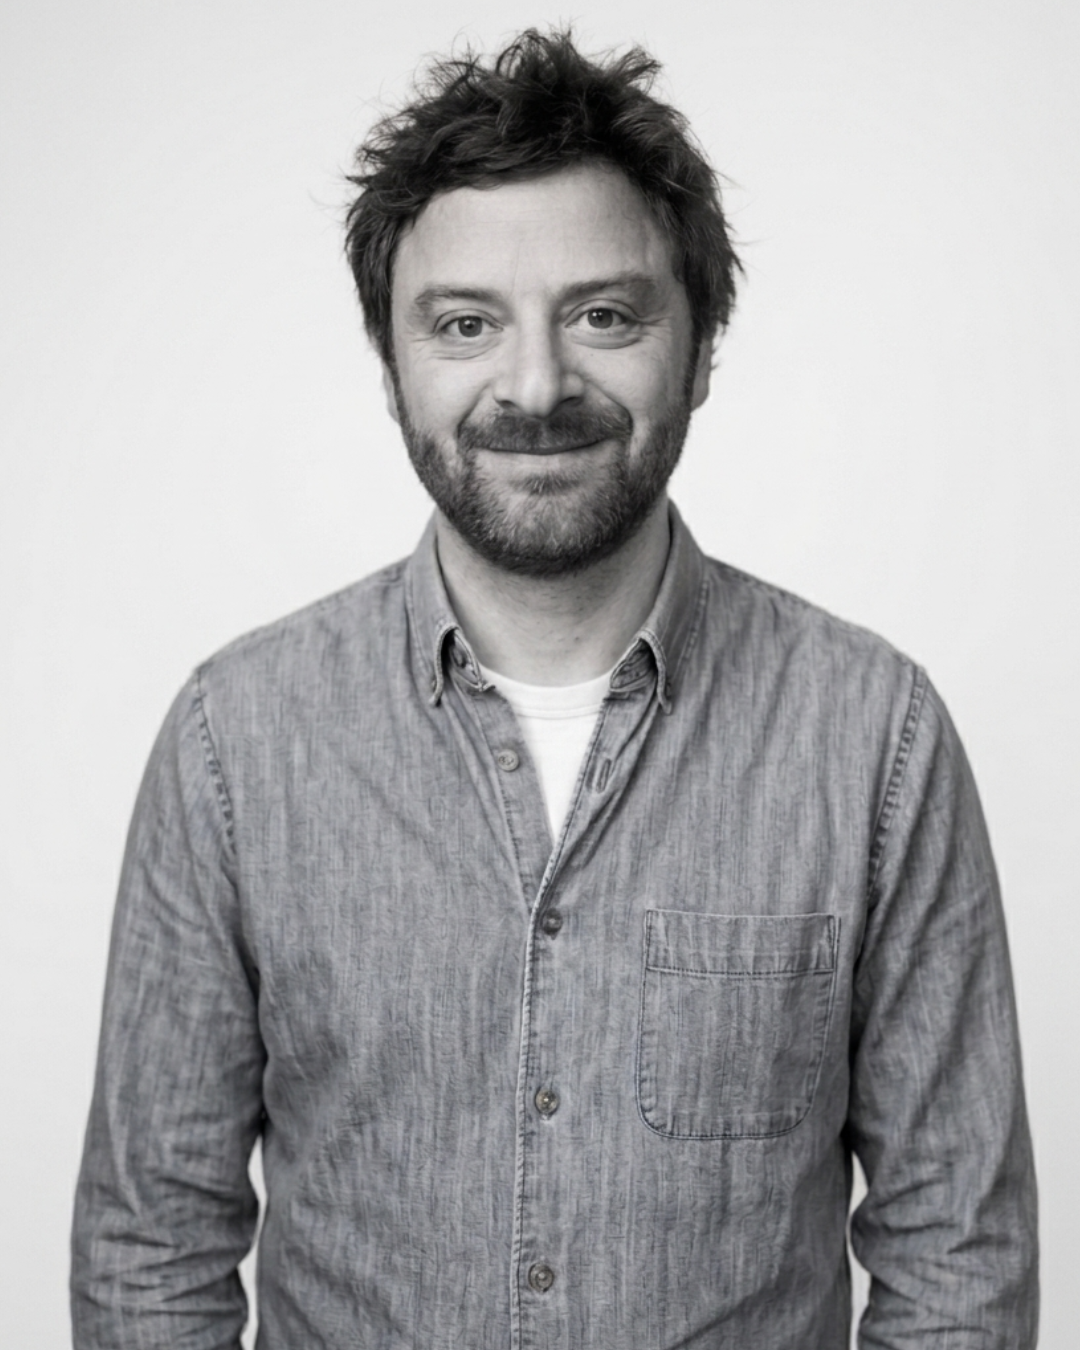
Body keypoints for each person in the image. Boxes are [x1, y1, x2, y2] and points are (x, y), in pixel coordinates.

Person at [71, 28, 1038, 1350]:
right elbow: (150, 1253)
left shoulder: (876, 738)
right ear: (392, 365)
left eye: (605, 314)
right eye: (466, 323)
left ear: (699, 350)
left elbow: (956, 1258)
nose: (535, 384)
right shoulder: (236, 744)